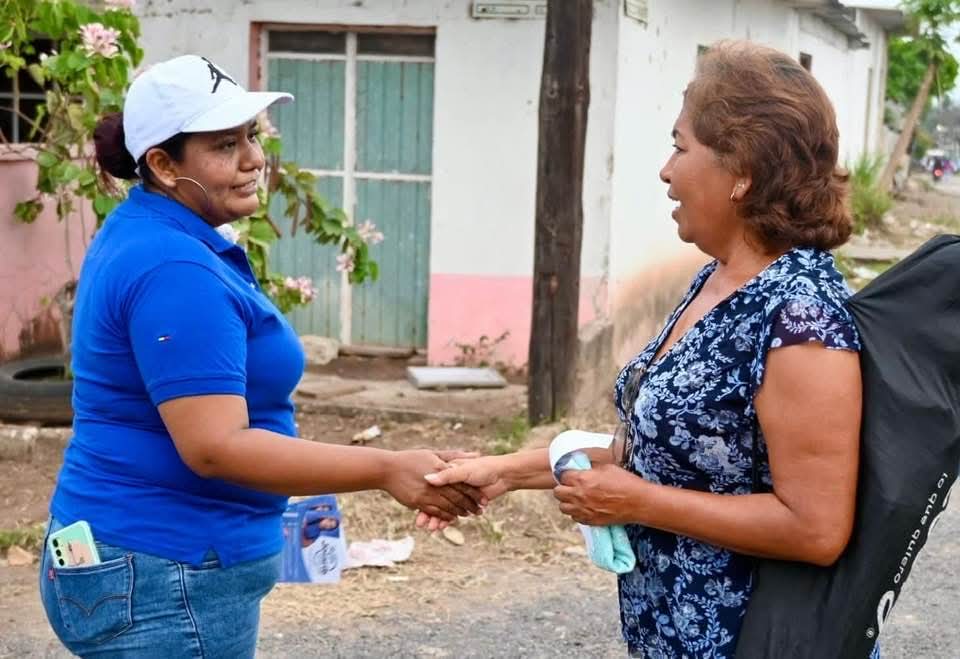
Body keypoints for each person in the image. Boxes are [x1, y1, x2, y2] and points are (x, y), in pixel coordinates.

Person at [426, 40, 872, 658]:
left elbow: (817, 529)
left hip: (756, 643)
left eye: (681, 147)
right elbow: (664, 449)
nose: (666, 171)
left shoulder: (801, 318)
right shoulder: (718, 280)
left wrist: (641, 503)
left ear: (742, 170)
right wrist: (503, 472)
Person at [39, 55, 484, 658]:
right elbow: (216, 447)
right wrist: (385, 469)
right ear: (164, 165)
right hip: (166, 569)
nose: (253, 159)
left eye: (250, 136)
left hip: (143, 557)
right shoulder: (174, 266)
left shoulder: (150, 230)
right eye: (225, 145)